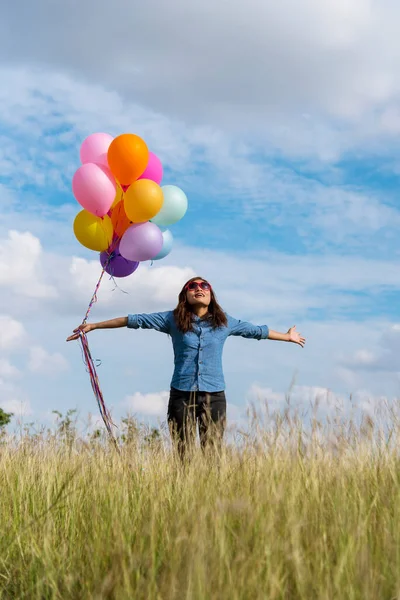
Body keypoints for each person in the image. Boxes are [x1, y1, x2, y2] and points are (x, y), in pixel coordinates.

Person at [67, 277, 306, 458]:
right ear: (185, 295)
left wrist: (287, 337)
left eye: (204, 286)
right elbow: (134, 320)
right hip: (181, 395)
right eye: (192, 287)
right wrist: (95, 326)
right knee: (184, 455)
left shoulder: (225, 323)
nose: (199, 288)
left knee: (212, 453)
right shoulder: (171, 319)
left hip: (214, 396)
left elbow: (257, 332)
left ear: (211, 295)